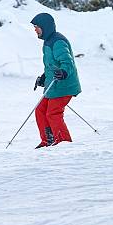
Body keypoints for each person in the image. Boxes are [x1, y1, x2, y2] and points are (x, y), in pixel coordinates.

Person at [31, 13, 82, 148]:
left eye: (37, 27)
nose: (35, 30)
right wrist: (44, 78)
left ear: (45, 27)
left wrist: (64, 72)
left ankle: (64, 143)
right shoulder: (48, 41)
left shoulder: (58, 42)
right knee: (40, 110)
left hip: (64, 86)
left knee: (53, 113)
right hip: (54, 85)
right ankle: (48, 139)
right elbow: (52, 65)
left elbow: (67, 62)